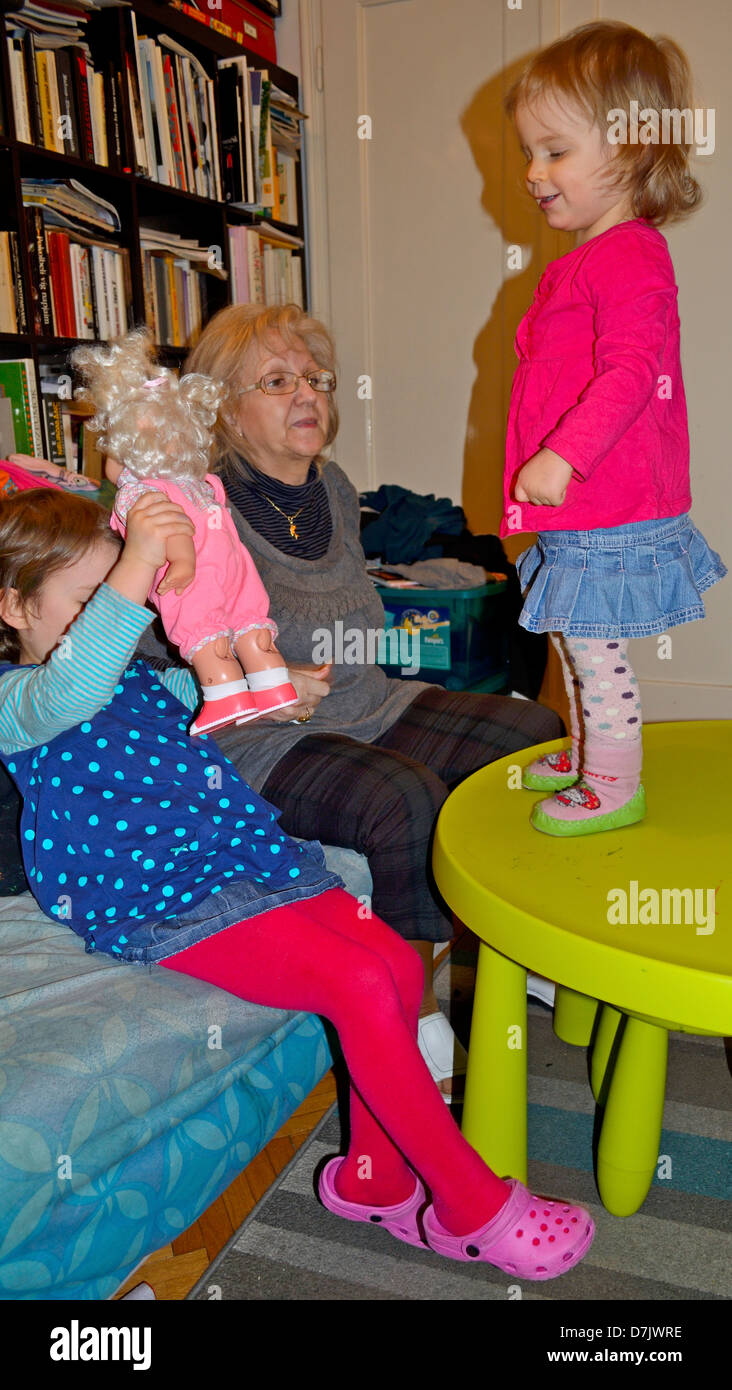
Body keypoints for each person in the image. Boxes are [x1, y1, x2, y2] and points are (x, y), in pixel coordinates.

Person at [0, 487, 594, 1280]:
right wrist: (139, 561)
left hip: (240, 858)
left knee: (396, 962)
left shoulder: (134, 683)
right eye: (93, 600)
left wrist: (280, 694)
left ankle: (375, 1179)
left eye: (125, 598)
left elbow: (210, 702)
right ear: (12, 606)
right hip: (156, 899)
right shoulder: (19, 698)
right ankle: (472, 1207)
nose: (119, 619)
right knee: (353, 981)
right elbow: (74, 684)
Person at [180, 304, 564, 1097]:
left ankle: (517, 950)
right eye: (277, 381)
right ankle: (409, 1015)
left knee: (533, 735)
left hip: (369, 700)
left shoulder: (333, 484)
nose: (307, 396)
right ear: (223, 403)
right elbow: (159, 645)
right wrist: (268, 672)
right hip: (262, 736)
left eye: (315, 378)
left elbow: (357, 621)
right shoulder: (197, 509)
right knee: (401, 797)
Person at [500, 20, 726, 836]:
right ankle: (591, 745)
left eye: (555, 150)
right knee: (570, 631)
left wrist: (564, 453)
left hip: (609, 499)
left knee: (595, 649)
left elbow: (631, 372)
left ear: (633, 153)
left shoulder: (630, 254)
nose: (533, 173)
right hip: (582, 504)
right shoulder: (586, 259)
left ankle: (616, 782)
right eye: (530, 152)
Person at [72, 331, 298, 736]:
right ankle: (274, 685)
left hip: (193, 572)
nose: (109, 467)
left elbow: (173, 528)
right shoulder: (205, 482)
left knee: (206, 635)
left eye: (113, 454)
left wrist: (182, 559)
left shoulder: (142, 491)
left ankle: (224, 697)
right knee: (249, 624)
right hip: (237, 569)